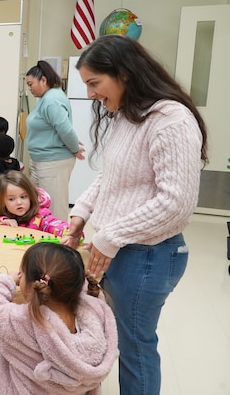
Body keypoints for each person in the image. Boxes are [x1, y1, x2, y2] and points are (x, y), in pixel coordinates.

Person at [63, 35, 207, 395]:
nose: (92, 94)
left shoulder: (171, 119)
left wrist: (108, 237)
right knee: (124, 339)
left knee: (136, 348)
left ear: (124, 73)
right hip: (125, 251)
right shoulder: (129, 115)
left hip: (148, 255)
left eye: (95, 83)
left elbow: (176, 202)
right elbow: (111, 176)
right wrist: (81, 214)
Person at [0, 242, 118, 394]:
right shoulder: (96, 318)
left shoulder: (23, 322)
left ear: (32, 284)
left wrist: (9, 279)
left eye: (22, 273)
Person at [24, 60, 84, 221]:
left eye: (31, 84)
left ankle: (58, 243)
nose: (29, 89)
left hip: (53, 161)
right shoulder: (45, 98)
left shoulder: (52, 100)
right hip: (41, 160)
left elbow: (65, 129)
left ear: (43, 80)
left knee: (55, 208)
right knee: (39, 205)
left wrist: (74, 149)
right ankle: (44, 240)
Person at [0, 170, 75, 238]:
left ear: (31, 196)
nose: (19, 202)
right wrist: (2, 222)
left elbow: (54, 225)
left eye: (23, 197)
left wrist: (71, 233)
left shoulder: (40, 215)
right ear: (2, 201)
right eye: (11, 199)